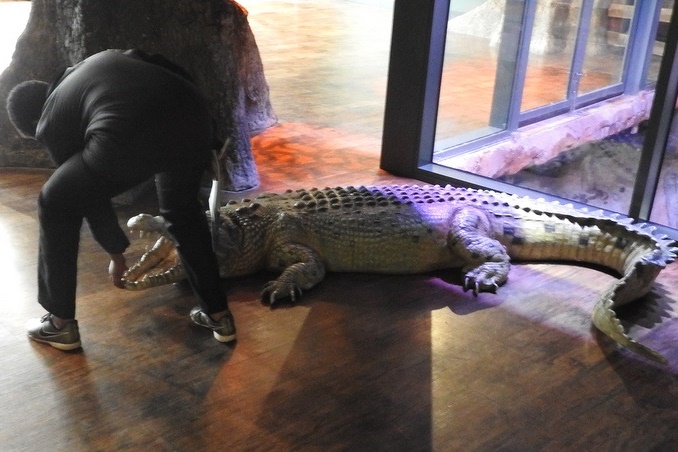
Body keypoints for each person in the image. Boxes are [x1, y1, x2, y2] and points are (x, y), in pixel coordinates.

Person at [5, 49, 236, 350]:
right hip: (193, 117)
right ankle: (218, 315)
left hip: (127, 133)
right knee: (183, 214)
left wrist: (116, 253)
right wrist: (211, 138)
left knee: (54, 202)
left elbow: (87, 196)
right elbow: (165, 64)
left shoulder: (50, 120)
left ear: (35, 121)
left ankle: (59, 324)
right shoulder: (96, 62)